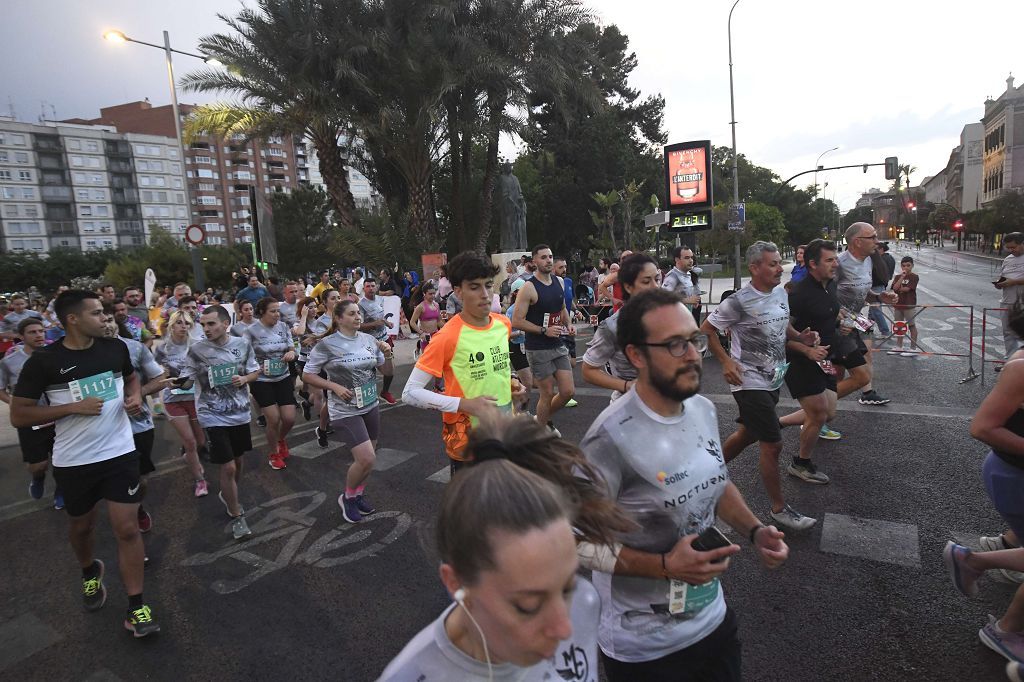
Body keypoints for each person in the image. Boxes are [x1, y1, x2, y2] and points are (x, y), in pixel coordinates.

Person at [580, 288, 788, 680]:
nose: (694, 354)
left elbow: (715, 479)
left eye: (693, 340)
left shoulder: (702, 408)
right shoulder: (608, 440)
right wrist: (662, 566)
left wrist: (756, 530)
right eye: (675, 345)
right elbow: (577, 543)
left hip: (713, 622)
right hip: (645, 648)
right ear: (636, 355)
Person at [379, 415, 634, 682]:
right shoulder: (414, 674)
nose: (563, 628)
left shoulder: (584, 602)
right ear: (456, 582)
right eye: (528, 605)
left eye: (567, 586)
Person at [10, 290, 159, 637]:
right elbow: (19, 415)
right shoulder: (45, 361)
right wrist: (70, 408)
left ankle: (136, 607)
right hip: (74, 460)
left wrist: (134, 396)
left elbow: (131, 378)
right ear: (72, 320)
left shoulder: (115, 348)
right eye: (96, 314)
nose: (105, 319)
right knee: (82, 528)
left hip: (119, 452)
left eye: (105, 314)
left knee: (127, 529)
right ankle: (89, 570)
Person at [701, 241, 823, 530]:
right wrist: (727, 362)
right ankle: (779, 509)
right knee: (773, 444)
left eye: (780, 262)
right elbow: (707, 329)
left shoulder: (781, 293)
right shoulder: (739, 301)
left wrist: (800, 337)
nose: (780, 268)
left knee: (747, 435)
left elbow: (783, 327)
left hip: (773, 378)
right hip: (748, 380)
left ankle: (705, 476)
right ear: (754, 268)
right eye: (772, 264)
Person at [941, 302, 1024, 677]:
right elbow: (982, 427)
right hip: (1013, 475)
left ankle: (977, 561)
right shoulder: (1021, 366)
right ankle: (1006, 632)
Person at [402, 252, 525, 475]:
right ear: (458, 291)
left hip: (505, 432)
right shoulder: (446, 337)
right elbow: (410, 393)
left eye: (488, 285)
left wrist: (511, 380)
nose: (486, 295)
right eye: (475, 287)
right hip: (468, 443)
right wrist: (464, 404)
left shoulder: (502, 324)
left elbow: (494, 367)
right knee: (472, 508)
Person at [302, 299, 393, 522]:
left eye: (358, 313)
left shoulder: (369, 340)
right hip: (344, 409)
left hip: (370, 403)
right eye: (352, 314)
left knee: (369, 460)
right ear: (339, 318)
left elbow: (385, 370)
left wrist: (387, 352)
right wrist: (333, 386)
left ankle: (357, 494)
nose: (358, 317)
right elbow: (307, 375)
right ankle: (347, 498)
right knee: (366, 458)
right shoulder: (327, 344)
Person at [179, 305, 260, 540]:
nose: (206, 329)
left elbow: (255, 372)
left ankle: (229, 492)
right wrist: (176, 382)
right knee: (228, 467)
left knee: (238, 461)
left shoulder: (242, 345)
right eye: (203, 324)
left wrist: (244, 378)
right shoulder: (196, 350)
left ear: (226, 324)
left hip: (240, 412)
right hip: (211, 414)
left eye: (211, 324)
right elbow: (186, 377)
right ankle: (236, 514)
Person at [778, 239, 869, 444]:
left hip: (825, 356)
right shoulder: (799, 294)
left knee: (828, 413)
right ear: (813, 264)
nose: (836, 264)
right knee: (819, 414)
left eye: (836, 259)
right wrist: (805, 348)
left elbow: (828, 314)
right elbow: (781, 333)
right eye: (829, 260)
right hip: (801, 360)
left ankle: (778, 423)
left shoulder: (831, 285)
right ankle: (802, 462)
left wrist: (841, 325)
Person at [511, 244, 575, 436]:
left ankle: (541, 420)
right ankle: (540, 433)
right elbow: (517, 321)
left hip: (557, 344)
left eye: (550, 256)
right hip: (538, 348)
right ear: (534, 262)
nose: (548, 260)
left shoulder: (559, 282)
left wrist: (569, 323)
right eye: (543, 257)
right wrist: (543, 330)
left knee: (567, 392)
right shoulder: (528, 288)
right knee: (547, 394)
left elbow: (562, 307)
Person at [582, 254, 661, 402]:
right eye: (646, 281)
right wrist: (627, 385)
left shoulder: (669, 315)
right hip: (630, 408)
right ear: (628, 287)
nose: (655, 286)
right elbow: (588, 371)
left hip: (667, 404)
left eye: (656, 279)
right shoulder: (612, 326)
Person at [0, 318, 61, 508]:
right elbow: (1, 388)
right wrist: (15, 404)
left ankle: (62, 491)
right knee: (38, 465)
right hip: (30, 419)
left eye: (41, 331)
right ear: (21, 336)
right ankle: (38, 478)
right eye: (33, 332)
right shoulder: (9, 362)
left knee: (63, 460)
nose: (39, 335)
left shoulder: (54, 355)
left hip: (58, 415)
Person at [836, 222, 897, 405]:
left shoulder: (869, 260)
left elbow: (865, 292)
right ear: (857, 242)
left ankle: (868, 392)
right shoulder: (839, 264)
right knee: (837, 369)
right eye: (872, 237)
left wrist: (880, 297)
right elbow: (823, 293)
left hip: (857, 317)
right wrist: (836, 313)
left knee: (867, 354)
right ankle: (819, 411)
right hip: (839, 321)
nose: (877, 242)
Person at [153, 310, 208, 497]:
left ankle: (190, 456)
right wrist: (165, 378)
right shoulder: (162, 348)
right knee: (190, 442)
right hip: (173, 400)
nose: (183, 326)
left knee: (201, 442)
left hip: (194, 398)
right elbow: (156, 373)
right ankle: (200, 480)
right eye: (179, 323)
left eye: (187, 323)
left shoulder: (197, 346)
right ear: (172, 325)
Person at [246, 297, 300, 471]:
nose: (277, 314)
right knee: (273, 419)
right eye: (273, 311)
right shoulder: (251, 331)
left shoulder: (284, 327)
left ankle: (280, 439)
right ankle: (273, 453)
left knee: (290, 418)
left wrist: (292, 354)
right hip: (261, 380)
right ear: (262, 312)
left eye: (278, 311)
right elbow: (243, 355)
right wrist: (254, 367)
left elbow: (291, 348)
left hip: (282, 376)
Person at [358, 279, 397, 405]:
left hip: (385, 338)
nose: (370, 288)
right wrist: (375, 324)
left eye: (372, 286)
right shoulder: (361, 304)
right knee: (369, 370)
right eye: (368, 286)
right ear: (364, 288)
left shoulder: (380, 299)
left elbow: (380, 317)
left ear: (376, 287)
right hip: (370, 342)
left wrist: (386, 322)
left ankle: (385, 392)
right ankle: (368, 396)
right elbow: (359, 325)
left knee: (390, 369)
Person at [996, 233, 1024, 365]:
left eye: (1014, 247)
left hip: (1022, 303)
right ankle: (1010, 362)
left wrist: (1014, 282)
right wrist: (999, 283)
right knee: (1008, 333)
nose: (1011, 250)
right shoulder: (1007, 259)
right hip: (1007, 301)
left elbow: (1013, 280)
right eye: (1008, 248)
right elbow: (1003, 277)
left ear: (1022, 243)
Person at [888, 256, 921, 357]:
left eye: (908, 265)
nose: (906, 267)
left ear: (912, 266)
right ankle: (899, 346)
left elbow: (906, 289)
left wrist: (900, 288)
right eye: (903, 265)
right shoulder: (898, 277)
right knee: (899, 325)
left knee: (911, 325)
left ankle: (913, 348)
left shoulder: (914, 276)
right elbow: (895, 288)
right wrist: (902, 277)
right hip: (898, 304)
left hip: (909, 304)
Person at [661, 246, 702, 315]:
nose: (691, 260)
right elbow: (662, 297)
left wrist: (693, 302)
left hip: (685, 318)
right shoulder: (673, 276)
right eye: (687, 258)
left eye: (691, 257)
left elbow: (686, 295)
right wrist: (686, 300)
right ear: (677, 260)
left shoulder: (688, 274)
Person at [409, 281, 443, 358]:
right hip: (426, 336)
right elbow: (412, 322)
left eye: (434, 293)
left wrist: (448, 328)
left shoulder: (436, 305)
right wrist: (421, 333)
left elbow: (439, 321)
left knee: (438, 357)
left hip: (436, 335)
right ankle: (417, 351)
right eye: (430, 294)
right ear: (424, 294)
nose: (433, 296)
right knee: (428, 359)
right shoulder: (420, 307)